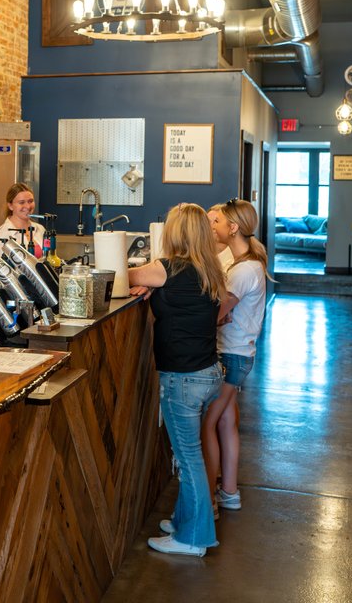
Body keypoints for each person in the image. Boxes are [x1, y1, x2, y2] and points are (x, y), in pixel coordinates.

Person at [127, 203, 226, 557]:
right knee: (190, 456)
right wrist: (157, 290)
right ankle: (185, 520)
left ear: (174, 233)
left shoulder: (166, 268)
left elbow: (122, 275)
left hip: (183, 379)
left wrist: (150, 284)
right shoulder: (210, 269)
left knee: (188, 460)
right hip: (208, 372)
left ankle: (193, 539)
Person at [202, 198, 268, 514]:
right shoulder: (246, 263)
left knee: (209, 425)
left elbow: (216, 315)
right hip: (240, 354)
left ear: (233, 227)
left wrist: (214, 314)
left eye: (216, 222)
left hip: (230, 355)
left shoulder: (244, 270)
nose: (211, 226)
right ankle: (229, 491)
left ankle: (209, 502)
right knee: (226, 422)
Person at [0, 183, 45, 258]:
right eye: (21, 202)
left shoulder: (40, 229)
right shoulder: (2, 234)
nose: (27, 206)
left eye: (30, 201)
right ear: (10, 206)